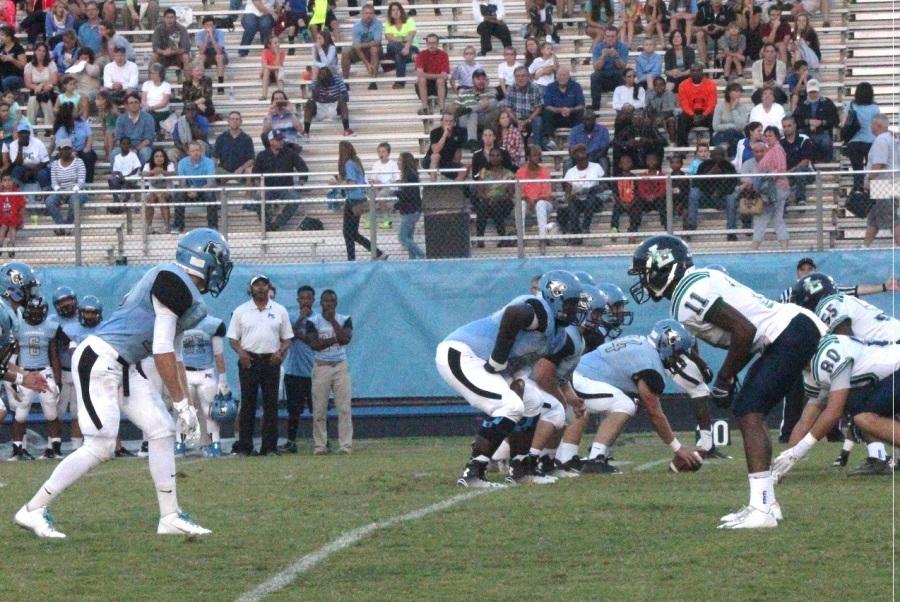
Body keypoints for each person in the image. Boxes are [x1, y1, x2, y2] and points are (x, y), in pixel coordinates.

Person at [16, 229, 231, 538]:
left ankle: (169, 516)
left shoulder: (184, 291)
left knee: (162, 428)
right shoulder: (173, 281)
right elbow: (161, 350)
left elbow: (177, 355)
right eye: (220, 259)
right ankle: (33, 509)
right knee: (100, 445)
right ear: (202, 257)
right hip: (101, 358)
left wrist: (185, 407)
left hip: (122, 364)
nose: (223, 266)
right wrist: (182, 403)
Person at [629, 236, 824, 529]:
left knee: (748, 411)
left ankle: (762, 509)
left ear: (662, 268)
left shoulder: (687, 293)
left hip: (787, 333)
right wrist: (728, 376)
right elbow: (745, 337)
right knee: (748, 410)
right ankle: (766, 504)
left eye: (646, 271)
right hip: (787, 331)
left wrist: (724, 378)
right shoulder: (700, 279)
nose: (644, 280)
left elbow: (744, 331)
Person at [437, 270, 583, 487]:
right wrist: (497, 359)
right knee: (510, 406)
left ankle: (520, 469)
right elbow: (513, 315)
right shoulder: (539, 309)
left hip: (491, 365)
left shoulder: (557, 336)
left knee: (533, 403)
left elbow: (523, 360)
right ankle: (473, 473)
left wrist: (518, 379)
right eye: (570, 303)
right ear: (555, 297)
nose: (574, 309)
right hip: (462, 353)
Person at [568, 319, 706, 473]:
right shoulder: (650, 365)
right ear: (666, 344)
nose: (679, 359)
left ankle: (573, 458)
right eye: (679, 353)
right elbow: (655, 414)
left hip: (575, 376)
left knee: (629, 404)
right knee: (625, 405)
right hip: (579, 380)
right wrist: (678, 448)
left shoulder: (641, 343)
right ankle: (595, 460)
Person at [773, 335, 899, 482]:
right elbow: (805, 421)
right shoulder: (812, 371)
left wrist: (799, 451)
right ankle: (879, 457)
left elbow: (833, 413)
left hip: (895, 368)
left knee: (862, 416)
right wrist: (785, 461)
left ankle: (879, 457)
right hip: (890, 376)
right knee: (857, 407)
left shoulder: (827, 357)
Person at [228, 274, 292, 457]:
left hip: (271, 360)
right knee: (248, 405)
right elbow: (233, 338)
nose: (261, 288)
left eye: (264, 285)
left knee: (271, 405)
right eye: (257, 285)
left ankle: (269, 447)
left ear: (269, 287)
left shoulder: (279, 310)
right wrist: (242, 354)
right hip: (249, 361)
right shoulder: (241, 311)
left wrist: (280, 353)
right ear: (251, 289)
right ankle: (245, 447)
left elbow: (287, 338)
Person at [305, 289, 354, 454]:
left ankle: (345, 445)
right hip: (321, 366)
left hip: (340, 366)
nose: (329, 305)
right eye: (326, 301)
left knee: (344, 408)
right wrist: (334, 339)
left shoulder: (344, 319)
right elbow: (315, 345)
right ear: (321, 303)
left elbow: (346, 339)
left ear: (336, 303)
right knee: (319, 409)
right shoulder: (313, 321)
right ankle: (320, 446)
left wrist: (333, 321)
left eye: (332, 302)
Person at [180, 315, 228, 457]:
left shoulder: (213, 324)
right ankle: (180, 444)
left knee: (210, 411)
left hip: (204, 372)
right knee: (184, 410)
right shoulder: (179, 323)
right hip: (188, 372)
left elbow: (219, 355)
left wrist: (223, 379)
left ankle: (214, 444)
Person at [278, 285, 316, 453]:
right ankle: (291, 441)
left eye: (309, 298)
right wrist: (300, 319)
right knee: (294, 410)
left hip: (314, 371)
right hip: (294, 372)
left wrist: (297, 333)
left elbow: (312, 341)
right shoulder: (292, 316)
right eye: (303, 298)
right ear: (298, 300)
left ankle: (322, 440)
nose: (306, 301)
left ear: (314, 300)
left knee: (318, 409)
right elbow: (287, 337)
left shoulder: (319, 319)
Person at [334, 140, 385, 260]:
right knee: (352, 233)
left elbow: (351, 183)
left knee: (348, 233)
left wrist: (338, 183)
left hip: (353, 200)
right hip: (360, 199)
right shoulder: (356, 162)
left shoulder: (349, 164)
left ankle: (353, 258)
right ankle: (376, 253)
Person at [252, 130, 309, 231]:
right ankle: (266, 224)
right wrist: (260, 187)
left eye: (281, 139)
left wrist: (300, 184)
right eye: (278, 139)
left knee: (295, 199)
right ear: (271, 141)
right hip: (268, 188)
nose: (281, 141)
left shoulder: (290, 153)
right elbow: (255, 174)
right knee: (259, 197)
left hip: (286, 188)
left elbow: (303, 168)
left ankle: (277, 224)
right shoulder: (262, 155)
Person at [863, 115, 900, 247]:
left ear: (877, 126)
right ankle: (865, 246)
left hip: (884, 184)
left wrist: (868, 178)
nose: (870, 128)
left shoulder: (881, 140)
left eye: (872, 125)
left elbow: (879, 163)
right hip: (892, 182)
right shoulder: (893, 139)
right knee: (873, 219)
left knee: (892, 218)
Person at [686, 146, 740, 236]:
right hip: (706, 198)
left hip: (722, 198)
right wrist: (709, 174)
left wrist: (719, 192)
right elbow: (696, 183)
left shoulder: (729, 166)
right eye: (716, 155)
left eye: (720, 155)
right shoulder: (704, 165)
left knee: (731, 198)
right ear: (711, 155)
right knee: (694, 192)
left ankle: (731, 231)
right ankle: (691, 224)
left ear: (724, 156)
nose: (718, 157)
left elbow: (732, 185)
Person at [752, 126, 790, 249]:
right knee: (777, 219)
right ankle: (784, 247)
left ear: (777, 137)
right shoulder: (770, 150)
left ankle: (754, 247)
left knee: (761, 217)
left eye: (770, 135)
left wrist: (766, 177)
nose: (767, 138)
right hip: (772, 189)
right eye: (766, 136)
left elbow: (781, 168)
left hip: (775, 189)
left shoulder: (777, 149)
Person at [562, 144, 606, 241]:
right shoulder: (570, 172)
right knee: (572, 206)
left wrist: (589, 189)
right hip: (579, 200)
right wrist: (571, 196)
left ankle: (585, 227)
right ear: (576, 160)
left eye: (585, 158)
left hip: (595, 200)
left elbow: (603, 186)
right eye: (580, 159)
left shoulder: (596, 167)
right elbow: (567, 191)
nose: (583, 161)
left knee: (591, 197)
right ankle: (576, 234)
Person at [172, 141, 217, 234]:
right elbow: (182, 183)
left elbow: (210, 183)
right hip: (189, 190)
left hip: (204, 189)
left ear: (201, 151)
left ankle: (213, 227)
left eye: (197, 150)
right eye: (192, 151)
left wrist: (197, 190)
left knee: (210, 194)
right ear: (188, 152)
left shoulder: (209, 162)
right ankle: (178, 226)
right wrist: (189, 190)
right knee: (179, 195)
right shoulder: (182, 163)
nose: (195, 153)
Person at [842, 82, 881, 191]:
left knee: (857, 170)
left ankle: (858, 192)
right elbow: (878, 125)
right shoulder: (875, 107)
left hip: (854, 142)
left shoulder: (851, 105)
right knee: (871, 170)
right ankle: (870, 192)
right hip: (871, 142)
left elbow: (843, 123)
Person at [475, 146, 515, 248]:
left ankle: (502, 238)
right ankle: (480, 239)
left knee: (495, 206)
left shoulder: (509, 174)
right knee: (484, 206)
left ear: (502, 157)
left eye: (497, 155)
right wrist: (488, 199)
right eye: (492, 156)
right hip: (487, 201)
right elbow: (480, 191)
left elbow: (510, 194)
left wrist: (497, 199)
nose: (495, 158)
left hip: (504, 202)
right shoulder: (483, 172)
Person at [450, 68, 498, 148]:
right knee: (472, 114)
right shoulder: (464, 93)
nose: (481, 81)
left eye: (483, 79)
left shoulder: (490, 92)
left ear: (486, 81)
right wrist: (455, 108)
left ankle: (471, 109)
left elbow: (492, 105)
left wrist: (471, 108)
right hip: (466, 119)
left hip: (483, 118)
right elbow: (455, 107)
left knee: (494, 102)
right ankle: (472, 141)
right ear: (473, 81)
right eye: (478, 79)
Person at [47, 139, 86, 233]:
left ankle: (68, 225)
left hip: (77, 191)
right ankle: (62, 226)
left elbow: (81, 181)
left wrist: (70, 191)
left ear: (71, 149)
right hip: (61, 191)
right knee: (49, 201)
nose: (66, 151)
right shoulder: (55, 164)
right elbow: (54, 183)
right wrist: (60, 191)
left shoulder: (79, 162)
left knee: (74, 201)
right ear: (59, 150)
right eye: (63, 149)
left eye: (68, 149)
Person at [793, 79, 837, 163]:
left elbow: (834, 119)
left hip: (823, 131)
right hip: (806, 131)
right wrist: (808, 122)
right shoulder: (801, 104)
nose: (813, 94)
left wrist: (822, 122)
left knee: (826, 141)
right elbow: (795, 120)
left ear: (818, 91)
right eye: (811, 92)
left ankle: (826, 162)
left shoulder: (827, 103)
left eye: (815, 91)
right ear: (807, 92)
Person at [540, 66, 584, 149]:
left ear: (569, 76)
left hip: (572, 117)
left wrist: (570, 110)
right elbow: (547, 106)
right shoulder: (550, 87)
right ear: (556, 76)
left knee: (581, 112)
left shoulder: (576, 86)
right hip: (556, 118)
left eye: (564, 75)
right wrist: (560, 110)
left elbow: (581, 105)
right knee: (546, 112)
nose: (562, 77)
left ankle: (578, 139)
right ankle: (549, 140)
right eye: (560, 75)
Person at [516, 144, 554, 239]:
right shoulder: (520, 172)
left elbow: (546, 193)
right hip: (527, 204)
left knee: (540, 204)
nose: (537, 157)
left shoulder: (545, 171)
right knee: (521, 204)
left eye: (538, 155)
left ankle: (542, 237)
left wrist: (535, 201)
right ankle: (521, 237)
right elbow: (520, 192)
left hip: (544, 204)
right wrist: (529, 200)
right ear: (528, 157)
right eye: (534, 155)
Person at [303, 67, 353, 137]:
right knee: (309, 103)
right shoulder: (317, 82)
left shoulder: (337, 80)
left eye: (326, 81)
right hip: (320, 107)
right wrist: (318, 86)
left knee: (342, 101)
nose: (325, 83)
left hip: (334, 106)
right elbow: (314, 98)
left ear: (330, 77)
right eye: (323, 81)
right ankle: (306, 131)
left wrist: (332, 98)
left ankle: (347, 130)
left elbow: (346, 97)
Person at [675, 64, 717, 146]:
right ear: (690, 73)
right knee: (681, 119)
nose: (696, 73)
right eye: (693, 71)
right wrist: (693, 115)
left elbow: (712, 103)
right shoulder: (682, 85)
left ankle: (713, 145)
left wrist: (703, 115)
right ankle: (683, 147)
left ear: (702, 72)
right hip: (690, 113)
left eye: (698, 70)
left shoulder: (711, 84)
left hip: (706, 113)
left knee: (715, 118)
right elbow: (684, 104)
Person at [341, 4, 382, 86]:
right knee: (345, 52)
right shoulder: (357, 26)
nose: (368, 15)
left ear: (374, 14)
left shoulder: (377, 24)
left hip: (374, 49)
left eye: (371, 13)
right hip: (360, 51)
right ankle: (345, 82)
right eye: (366, 13)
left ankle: (373, 82)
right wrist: (367, 64)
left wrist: (362, 45)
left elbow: (377, 41)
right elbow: (357, 48)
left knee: (374, 49)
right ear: (362, 14)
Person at [394, 151, 425, 258]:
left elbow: (407, 195)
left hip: (411, 211)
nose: (398, 162)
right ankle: (412, 259)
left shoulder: (410, 177)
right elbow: (407, 195)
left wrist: (394, 194)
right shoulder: (409, 176)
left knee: (402, 237)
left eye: (399, 160)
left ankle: (422, 255)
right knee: (409, 237)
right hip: (411, 209)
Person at [503, 66, 543, 147]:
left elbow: (539, 107)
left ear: (528, 76)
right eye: (517, 76)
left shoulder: (535, 88)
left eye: (523, 76)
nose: (520, 78)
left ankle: (537, 147)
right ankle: (506, 148)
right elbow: (508, 107)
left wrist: (528, 120)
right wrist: (517, 120)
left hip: (531, 118)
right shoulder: (511, 89)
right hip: (515, 118)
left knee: (538, 120)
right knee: (504, 119)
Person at [590, 26, 629, 110]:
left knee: (622, 75)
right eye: (608, 36)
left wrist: (616, 57)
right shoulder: (598, 47)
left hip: (617, 79)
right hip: (602, 80)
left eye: (612, 36)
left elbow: (623, 67)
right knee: (594, 76)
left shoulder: (623, 47)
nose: (610, 39)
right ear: (604, 36)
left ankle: (622, 107)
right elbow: (596, 68)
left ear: (617, 37)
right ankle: (595, 108)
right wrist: (603, 56)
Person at [3, 123, 50, 191]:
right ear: (18, 134)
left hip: (38, 168)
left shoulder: (38, 143)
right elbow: (16, 164)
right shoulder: (13, 145)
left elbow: (45, 161)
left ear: (29, 134)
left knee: (42, 174)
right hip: (22, 169)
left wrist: (32, 172)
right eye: (21, 133)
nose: (23, 135)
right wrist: (20, 147)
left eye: (26, 132)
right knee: (17, 170)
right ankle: (14, 193)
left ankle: (46, 194)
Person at [422, 111, 467, 180]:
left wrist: (454, 166)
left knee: (463, 170)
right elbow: (436, 150)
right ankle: (433, 185)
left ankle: (454, 188)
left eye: (451, 121)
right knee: (436, 156)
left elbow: (458, 152)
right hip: (430, 160)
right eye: (446, 121)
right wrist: (445, 134)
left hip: (446, 161)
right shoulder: (435, 132)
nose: (448, 123)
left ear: (454, 122)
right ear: (442, 122)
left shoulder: (458, 132)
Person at [780, 115, 814, 205]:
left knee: (799, 171)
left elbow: (805, 162)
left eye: (789, 126)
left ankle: (800, 198)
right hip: (788, 174)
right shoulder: (780, 142)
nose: (786, 128)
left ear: (795, 126)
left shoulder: (804, 139)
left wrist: (789, 172)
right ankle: (783, 202)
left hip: (807, 173)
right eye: (784, 126)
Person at [213, 111, 255, 181]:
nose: (234, 121)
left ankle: (247, 191)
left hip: (240, 172)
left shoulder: (247, 139)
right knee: (212, 171)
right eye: (232, 119)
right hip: (224, 171)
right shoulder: (221, 138)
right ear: (228, 121)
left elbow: (251, 159)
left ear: (241, 122)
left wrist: (242, 168)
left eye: (237, 119)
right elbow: (215, 157)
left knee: (249, 171)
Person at [383, 1, 416, 89]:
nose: (396, 12)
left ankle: (400, 83)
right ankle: (413, 56)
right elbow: (389, 37)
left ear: (401, 11)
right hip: (394, 49)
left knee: (399, 56)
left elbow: (411, 35)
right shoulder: (388, 23)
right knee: (391, 45)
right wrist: (403, 40)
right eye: (393, 10)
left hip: (411, 48)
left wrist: (407, 47)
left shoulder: (409, 20)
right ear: (390, 13)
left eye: (397, 9)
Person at [24, 42, 58, 127]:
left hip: (49, 90)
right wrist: (38, 88)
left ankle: (49, 128)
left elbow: (54, 81)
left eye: (44, 51)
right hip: (35, 91)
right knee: (32, 102)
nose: (41, 53)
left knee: (46, 100)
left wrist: (41, 85)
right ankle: (31, 128)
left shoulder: (51, 64)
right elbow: (28, 83)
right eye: (39, 50)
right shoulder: (29, 66)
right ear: (35, 51)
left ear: (46, 53)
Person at [142, 147, 175, 234]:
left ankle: (166, 226)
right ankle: (148, 226)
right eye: (156, 156)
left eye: (161, 156)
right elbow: (143, 174)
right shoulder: (148, 165)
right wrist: (152, 172)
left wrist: (162, 171)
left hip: (167, 192)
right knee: (148, 199)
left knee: (161, 197)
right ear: (153, 158)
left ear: (164, 157)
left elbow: (172, 174)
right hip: (153, 192)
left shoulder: (169, 164)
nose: (159, 158)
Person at [415, 33, 449, 114]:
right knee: (422, 79)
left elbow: (444, 76)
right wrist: (438, 76)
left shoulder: (444, 55)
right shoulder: (421, 55)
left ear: (437, 43)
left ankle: (442, 109)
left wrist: (428, 75)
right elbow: (420, 74)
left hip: (438, 84)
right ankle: (425, 108)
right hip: (426, 84)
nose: (432, 45)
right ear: (426, 44)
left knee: (440, 81)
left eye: (434, 43)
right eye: (429, 43)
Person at [712, 82, 749, 156]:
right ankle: (732, 160)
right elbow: (715, 126)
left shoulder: (743, 108)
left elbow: (741, 126)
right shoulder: (719, 106)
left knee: (733, 135)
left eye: (739, 91)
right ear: (728, 93)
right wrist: (732, 126)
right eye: (735, 91)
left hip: (737, 134)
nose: (738, 93)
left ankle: (724, 148)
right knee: (734, 140)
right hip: (720, 134)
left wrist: (733, 109)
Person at [369, 141, 399, 230]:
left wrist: (384, 184)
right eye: (379, 151)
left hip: (390, 187)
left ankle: (386, 220)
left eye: (383, 151)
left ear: (388, 153)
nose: (381, 154)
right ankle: (370, 219)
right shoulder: (375, 164)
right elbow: (373, 178)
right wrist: (376, 182)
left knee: (381, 195)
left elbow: (396, 180)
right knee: (370, 194)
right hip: (378, 187)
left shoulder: (393, 164)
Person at [694, 0, 734, 64]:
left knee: (729, 32)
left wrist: (720, 28)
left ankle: (729, 61)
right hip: (708, 38)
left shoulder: (728, 9)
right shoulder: (704, 10)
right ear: (710, 1)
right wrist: (703, 28)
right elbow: (694, 28)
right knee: (699, 34)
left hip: (723, 38)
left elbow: (733, 26)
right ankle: (704, 63)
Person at [107, 136, 142, 208]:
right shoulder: (117, 157)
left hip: (131, 178)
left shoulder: (133, 155)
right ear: (120, 145)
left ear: (130, 145)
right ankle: (116, 200)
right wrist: (120, 175)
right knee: (110, 179)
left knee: (126, 182)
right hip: (120, 178)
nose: (125, 145)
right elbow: (115, 171)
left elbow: (136, 169)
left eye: (127, 144)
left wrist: (126, 177)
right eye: (123, 143)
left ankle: (126, 200)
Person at [195, 16, 227, 90]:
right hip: (206, 54)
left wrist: (212, 36)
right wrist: (206, 37)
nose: (210, 27)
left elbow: (219, 51)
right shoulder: (199, 34)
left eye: (211, 25)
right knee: (201, 57)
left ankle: (220, 84)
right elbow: (201, 51)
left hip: (219, 54)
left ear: (215, 26)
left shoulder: (220, 33)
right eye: (207, 25)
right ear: (203, 26)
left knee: (219, 57)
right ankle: (201, 82)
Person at [141, 63, 172, 132]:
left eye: (154, 73)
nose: (152, 75)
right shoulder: (146, 84)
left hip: (162, 111)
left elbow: (164, 103)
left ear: (160, 74)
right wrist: (147, 107)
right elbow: (143, 100)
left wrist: (152, 108)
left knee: (150, 118)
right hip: (148, 110)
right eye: (151, 73)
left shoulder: (166, 85)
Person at [645, 76, 677, 142]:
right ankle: (650, 143)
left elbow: (671, 110)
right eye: (656, 85)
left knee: (671, 121)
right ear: (653, 87)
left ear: (665, 86)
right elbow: (647, 109)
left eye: (661, 84)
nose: (659, 87)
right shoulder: (649, 95)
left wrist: (661, 118)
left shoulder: (670, 94)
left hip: (667, 117)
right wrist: (655, 118)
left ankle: (672, 143)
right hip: (653, 117)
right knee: (646, 121)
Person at [0, 173, 24, 255]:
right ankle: (0, 245)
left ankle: (11, 246)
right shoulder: (0, 192)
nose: (7, 182)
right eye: (5, 180)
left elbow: (22, 206)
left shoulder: (16, 192)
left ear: (13, 181)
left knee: (12, 227)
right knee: (3, 227)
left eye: (9, 180)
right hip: (2, 216)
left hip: (14, 216)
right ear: (1, 183)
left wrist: (22, 221)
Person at [0, 25, 25, 94]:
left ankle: (5, 101)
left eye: (2, 35)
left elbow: (23, 66)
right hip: (3, 75)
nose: (0, 37)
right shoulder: (1, 48)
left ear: (9, 37)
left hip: (16, 76)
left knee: (3, 83)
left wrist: (12, 59)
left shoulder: (18, 48)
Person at [260, 35, 286, 101]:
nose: (278, 44)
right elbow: (264, 65)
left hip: (277, 74)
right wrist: (277, 67)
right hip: (267, 75)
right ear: (269, 45)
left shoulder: (282, 52)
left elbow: (279, 65)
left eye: (278, 42)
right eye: (275, 43)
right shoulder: (265, 51)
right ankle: (264, 95)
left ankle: (282, 94)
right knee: (266, 70)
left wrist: (277, 54)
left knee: (277, 71)